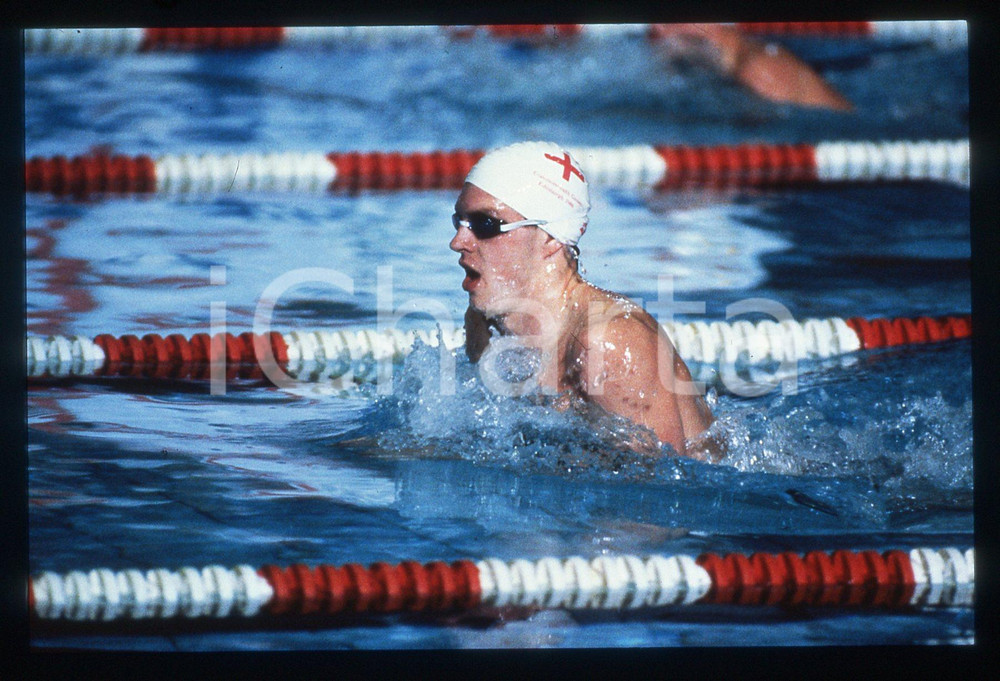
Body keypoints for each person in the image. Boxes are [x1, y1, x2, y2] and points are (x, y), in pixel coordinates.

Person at [449, 141, 715, 458]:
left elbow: (664, 489)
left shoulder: (608, 345)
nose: (458, 242)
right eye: (459, 222)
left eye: (485, 225)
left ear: (549, 238)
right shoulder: (484, 323)